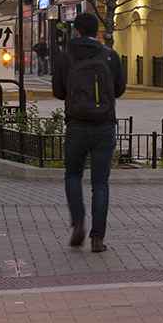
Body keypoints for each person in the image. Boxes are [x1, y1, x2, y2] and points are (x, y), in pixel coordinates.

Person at [52, 13, 126, 253]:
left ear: (77, 31)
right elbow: (119, 89)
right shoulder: (109, 56)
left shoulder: (66, 56)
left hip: (76, 125)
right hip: (104, 125)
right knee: (100, 183)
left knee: (73, 175)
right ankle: (97, 238)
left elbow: (58, 91)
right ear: (97, 32)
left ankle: (78, 222)